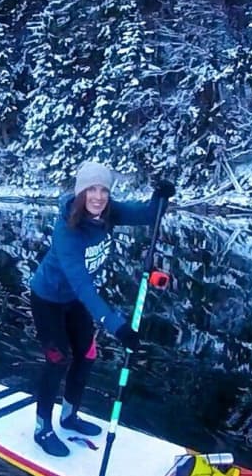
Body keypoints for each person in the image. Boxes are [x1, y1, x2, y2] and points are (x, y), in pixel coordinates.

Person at [28, 160, 175, 457]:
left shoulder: (109, 211)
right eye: (91, 190)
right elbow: (82, 284)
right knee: (58, 360)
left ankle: (69, 417)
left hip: (75, 301)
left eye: (103, 190)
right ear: (81, 192)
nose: (98, 196)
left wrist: (161, 197)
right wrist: (117, 326)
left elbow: (149, 214)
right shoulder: (67, 230)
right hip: (48, 299)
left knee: (87, 356)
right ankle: (42, 428)